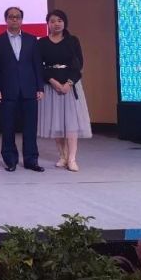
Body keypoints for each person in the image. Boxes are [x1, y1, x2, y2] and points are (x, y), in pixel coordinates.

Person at [0, 7, 45, 173]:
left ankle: (31, 160)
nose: (14, 19)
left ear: (21, 20)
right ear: (6, 19)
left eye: (18, 17)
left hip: (29, 89)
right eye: (11, 17)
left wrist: (40, 87)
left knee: (30, 128)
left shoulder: (32, 40)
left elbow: (37, 65)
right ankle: (10, 160)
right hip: (7, 90)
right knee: (8, 127)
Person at [37, 9, 92, 172]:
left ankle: (72, 158)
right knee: (57, 123)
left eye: (59, 20)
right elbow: (39, 66)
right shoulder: (42, 43)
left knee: (71, 124)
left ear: (65, 23)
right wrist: (52, 81)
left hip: (70, 86)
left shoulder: (72, 41)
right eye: (52, 21)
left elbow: (79, 65)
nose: (56, 24)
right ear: (48, 24)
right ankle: (62, 156)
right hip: (51, 86)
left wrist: (69, 83)